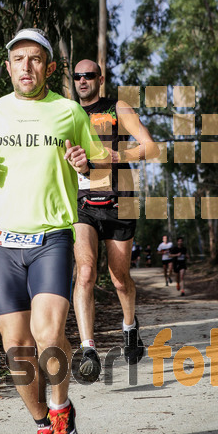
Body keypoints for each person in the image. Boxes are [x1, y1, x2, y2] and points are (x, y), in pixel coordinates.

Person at [0, 29, 106, 434]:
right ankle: (43, 423)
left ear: (48, 67)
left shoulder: (68, 112)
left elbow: (95, 167)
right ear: (7, 67)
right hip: (3, 241)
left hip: (52, 238)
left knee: (47, 335)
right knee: (17, 349)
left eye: (35, 59)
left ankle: (62, 417)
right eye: (18, 59)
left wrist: (85, 163)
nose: (26, 67)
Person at [72, 59, 159, 382]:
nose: (82, 80)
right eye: (77, 76)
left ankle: (130, 327)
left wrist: (119, 157)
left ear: (100, 79)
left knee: (120, 278)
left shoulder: (117, 107)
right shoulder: (67, 112)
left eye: (88, 75)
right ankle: (88, 348)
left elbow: (151, 147)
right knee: (85, 272)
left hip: (118, 200)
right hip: (81, 203)